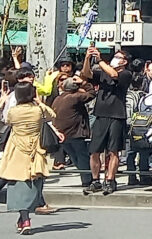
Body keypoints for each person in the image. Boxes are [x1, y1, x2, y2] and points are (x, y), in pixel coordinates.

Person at [0, 82, 57, 234]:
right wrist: (39, 102)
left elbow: (6, 121)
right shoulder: (38, 110)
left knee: (16, 184)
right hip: (35, 149)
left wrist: (4, 99)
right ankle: (24, 219)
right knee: (32, 185)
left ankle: (24, 219)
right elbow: (52, 115)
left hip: (16, 148)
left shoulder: (14, 111)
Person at [80, 45, 133, 195]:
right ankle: (95, 180)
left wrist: (100, 59)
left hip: (117, 114)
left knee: (113, 150)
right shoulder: (103, 72)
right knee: (94, 150)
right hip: (101, 114)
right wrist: (87, 58)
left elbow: (114, 75)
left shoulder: (126, 74)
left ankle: (110, 179)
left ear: (124, 62)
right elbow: (86, 74)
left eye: (118, 58)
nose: (115, 60)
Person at [52, 77, 96, 191]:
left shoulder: (58, 98)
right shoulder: (74, 97)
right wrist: (84, 83)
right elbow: (91, 94)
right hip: (75, 132)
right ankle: (87, 180)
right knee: (82, 156)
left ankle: (85, 177)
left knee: (74, 156)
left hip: (62, 133)